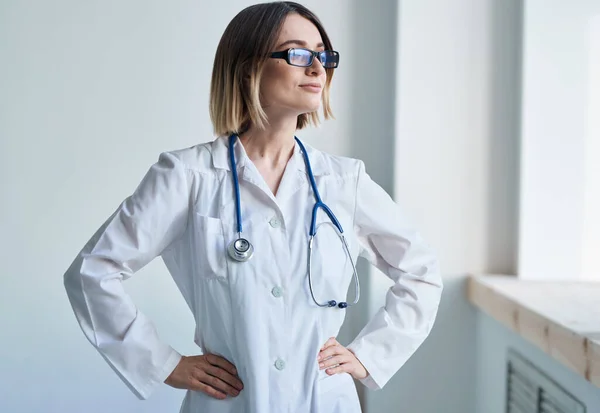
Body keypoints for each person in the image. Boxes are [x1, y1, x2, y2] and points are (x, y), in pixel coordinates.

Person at [63, 2, 443, 412]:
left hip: (322, 400)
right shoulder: (188, 175)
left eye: (323, 55)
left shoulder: (344, 182)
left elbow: (421, 272)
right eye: (298, 53)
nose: (317, 68)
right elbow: (92, 272)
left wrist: (369, 354)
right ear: (248, 69)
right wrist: (165, 364)